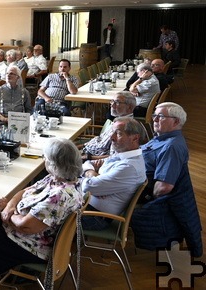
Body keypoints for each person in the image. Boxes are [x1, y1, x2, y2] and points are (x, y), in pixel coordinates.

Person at [0, 138, 84, 290]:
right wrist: (9, 207)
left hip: (33, 245)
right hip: (24, 231)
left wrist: (7, 213)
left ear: (54, 163)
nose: (44, 160)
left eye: (46, 158)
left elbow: (25, 226)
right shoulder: (60, 179)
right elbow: (25, 190)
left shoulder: (59, 196)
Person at [131, 102, 202, 258]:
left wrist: (146, 199)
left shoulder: (172, 147)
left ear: (176, 122)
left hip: (143, 193)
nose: (155, 119)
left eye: (160, 116)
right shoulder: (162, 138)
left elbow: (164, 187)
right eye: (155, 115)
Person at [80, 117, 147, 230]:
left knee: (46, 214)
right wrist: (94, 175)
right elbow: (88, 163)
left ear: (135, 138)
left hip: (94, 216)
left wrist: (92, 176)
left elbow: (87, 187)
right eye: (112, 132)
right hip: (85, 206)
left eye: (118, 133)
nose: (111, 137)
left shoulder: (129, 166)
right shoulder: (122, 154)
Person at [81, 91, 137, 160]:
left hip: (93, 159)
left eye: (117, 102)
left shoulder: (125, 128)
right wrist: (78, 146)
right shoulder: (117, 121)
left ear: (130, 107)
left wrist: (87, 158)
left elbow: (115, 156)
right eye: (112, 101)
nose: (112, 105)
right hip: (87, 149)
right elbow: (99, 139)